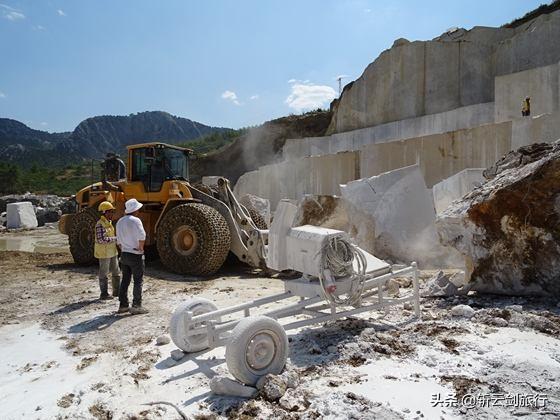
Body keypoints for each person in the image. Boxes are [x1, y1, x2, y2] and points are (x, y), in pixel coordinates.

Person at [116, 198, 148, 314]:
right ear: (135, 210)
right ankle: (136, 305)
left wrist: (124, 248)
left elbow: (118, 242)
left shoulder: (120, 222)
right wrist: (140, 247)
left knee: (125, 280)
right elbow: (142, 236)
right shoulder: (136, 221)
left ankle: (123, 305)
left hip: (124, 254)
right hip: (135, 255)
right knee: (138, 280)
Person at [94, 201, 120, 300]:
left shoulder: (109, 223)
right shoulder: (100, 224)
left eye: (112, 212)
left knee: (116, 271)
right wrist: (115, 239)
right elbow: (101, 240)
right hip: (104, 253)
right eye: (110, 212)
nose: (112, 214)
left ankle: (117, 292)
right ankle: (104, 294)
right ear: (104, 212)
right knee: (104, 273)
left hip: (112, 251)